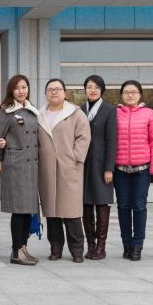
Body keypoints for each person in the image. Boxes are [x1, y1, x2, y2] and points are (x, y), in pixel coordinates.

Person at [37, 79, 91, 263]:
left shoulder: (75, 113)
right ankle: (55, 249)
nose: (54, 92)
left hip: (70, 168)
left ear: (65, 93)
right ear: (45, 93)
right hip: (47, 169)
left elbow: (84, 137)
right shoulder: (39, 115)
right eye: (50, 89)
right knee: (52, 213)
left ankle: (77, 250)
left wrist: (76, 157)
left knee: (71, 212)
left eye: (58, 89)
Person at [0, 74, 41, 266]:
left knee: (28, 210)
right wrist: (4, 154)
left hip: (32, 167)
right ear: (11, 90)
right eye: (17, 88)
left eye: (24, 87)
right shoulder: (6, 111)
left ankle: (23, 248)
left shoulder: (32, 109)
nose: (21, 91)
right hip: (16, 166)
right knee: (19, 210)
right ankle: (16, 251)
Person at [114, 79, 153, 261]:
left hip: (142, 170)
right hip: (120, 170)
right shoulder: (115, 113)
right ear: (122, 94)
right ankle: (126, 244)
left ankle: (137, 246)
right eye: (126, 92)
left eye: (134, 92)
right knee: (123, 207)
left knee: (139, 206)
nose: (130, 95)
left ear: (140, 94)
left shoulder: (149, 114)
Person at [81, 75, 117, 260]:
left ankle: (101, 246)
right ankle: (91, 245)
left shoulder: (109, 110)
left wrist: (109, 167)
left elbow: (112, 141)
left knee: (102, 203)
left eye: (96, 87)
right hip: (83, 164)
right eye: (89, 87)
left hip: (101, 164)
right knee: (85, 204)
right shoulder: (80, 110)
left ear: (102, 90)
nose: (92, 90)